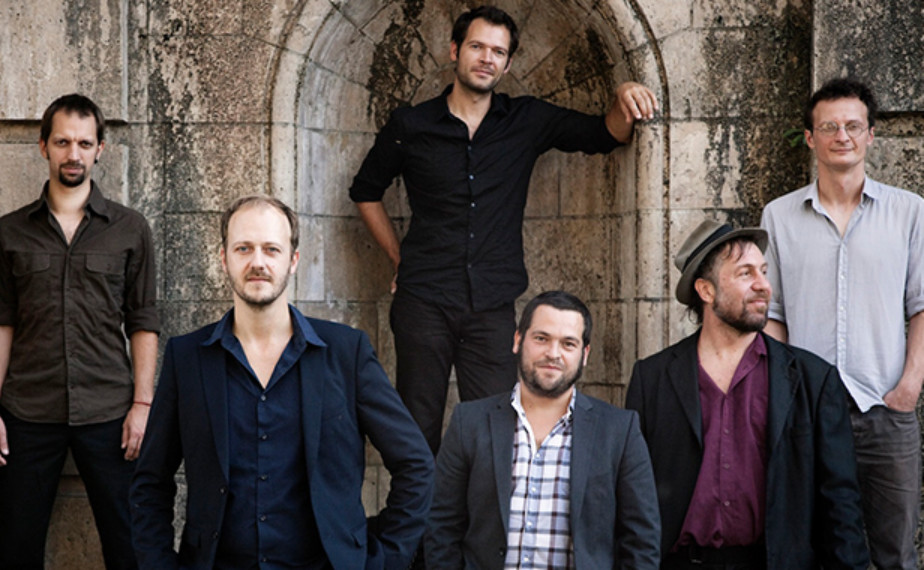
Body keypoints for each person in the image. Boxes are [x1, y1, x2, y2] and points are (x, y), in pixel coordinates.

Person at [348, 5, 659, 454]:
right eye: (477, 47)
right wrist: (399, 258)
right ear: (455, 51)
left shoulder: (525, 120)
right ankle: (416, 506)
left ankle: (485, 506)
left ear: (508, 63)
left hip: (492, 308)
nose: (486, 58)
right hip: (423, 301)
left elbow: (603, 134)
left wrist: (622, 94)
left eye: (498, 51)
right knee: (416, 429)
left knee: (495, 431)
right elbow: (365, 191)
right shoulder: (411, 125)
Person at [130, 195, 434, 569]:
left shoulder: (346, 352)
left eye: (271, 249)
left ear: (293, 260)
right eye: (243, 248)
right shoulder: (187, 357)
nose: (258, 262)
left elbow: (416, 464)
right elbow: (150, 483)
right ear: (224, 259)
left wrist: (383, 560)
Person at [0, 93, 160, 569]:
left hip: (110, 410)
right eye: (62, 142)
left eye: (84, 143)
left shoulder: (130, 228)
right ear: (44, 146)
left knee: (133, 545)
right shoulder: (10, 231)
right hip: (27, 410)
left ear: (100, 149)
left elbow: (143, 321)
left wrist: (143, 406)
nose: (73, 154)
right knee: (13, 548)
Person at [626, 219, 869, 569]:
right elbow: (632, 498)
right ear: (706, 291)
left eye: (764, 272)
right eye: (745, 273)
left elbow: (841, 505)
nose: (763, 285)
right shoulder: (652, 379)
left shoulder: (813, 380)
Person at [760, 77, 924, 570]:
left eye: (853, 126)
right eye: (829, 127)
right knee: (809, 551)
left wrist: (909, 388)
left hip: (885, 409)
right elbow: (772, 316)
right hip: (807, 415)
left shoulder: (910, 212)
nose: (842, 136)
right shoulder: (779, 216)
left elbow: (922, 305)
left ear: (871, 134)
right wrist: (785, 398)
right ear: (811, 138)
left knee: (896, 554)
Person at [426, 290, 660, 569]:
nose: (553, 353)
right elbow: (441, 526)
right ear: (517, 340)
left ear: (584, 354)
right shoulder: (469, 422)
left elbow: (641, 541)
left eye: (568, 344)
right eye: (541, 338)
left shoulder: (619, 431)